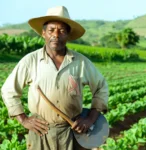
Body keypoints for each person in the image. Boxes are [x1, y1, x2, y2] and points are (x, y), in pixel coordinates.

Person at [1, 6, 108, 150]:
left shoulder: (81, 62)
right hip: (40, 132)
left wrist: (90, 118)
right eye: (51, 30)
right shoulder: (30, 61)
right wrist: (23, 119)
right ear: (43, 33)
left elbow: (101, 86)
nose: (56, 35)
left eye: (62, 31)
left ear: (68, 35)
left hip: (73, 132)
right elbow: (9, 90)